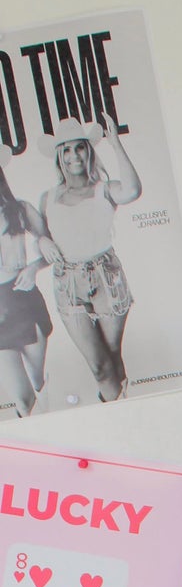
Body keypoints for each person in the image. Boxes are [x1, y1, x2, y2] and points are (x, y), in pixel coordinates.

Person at [37, 114, 141, 403]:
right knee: (99, 366)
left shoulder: (103, 189)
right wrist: (42, 240)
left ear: (89, 151)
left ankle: (119, 407)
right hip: (68, 283)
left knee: (111, 357)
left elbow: (133, 191)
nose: (74, 156)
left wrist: (115, 143)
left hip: (106, 277)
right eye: (67, 150)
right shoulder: (48, 197)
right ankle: (120, 404)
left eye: (80, 148)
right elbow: (39, 235)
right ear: (59, 157)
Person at [0, 149, 55, 418]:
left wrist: (34, 267)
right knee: (22, 401)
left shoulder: (20, 209)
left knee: (38, 384)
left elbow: (53, 248)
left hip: (23, 301)